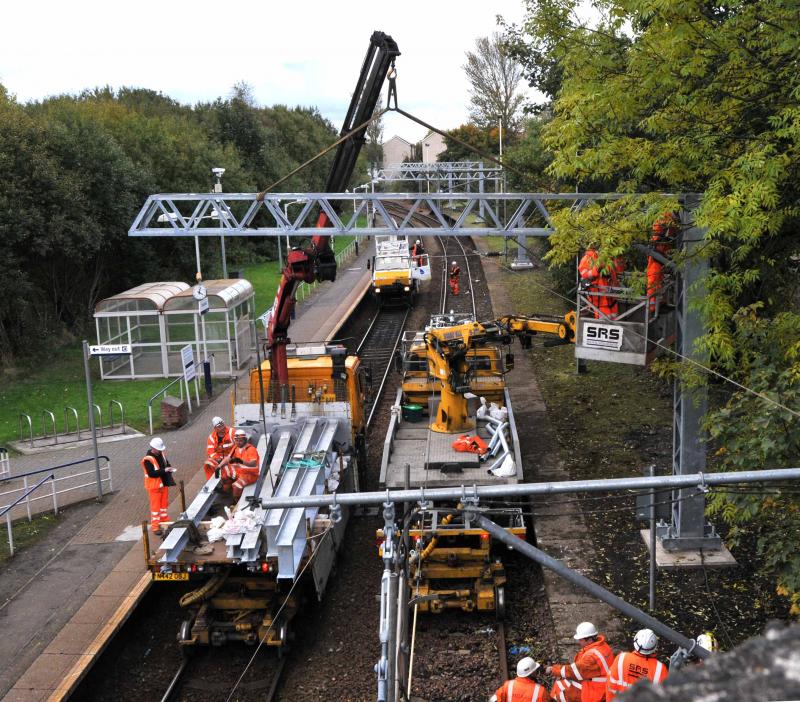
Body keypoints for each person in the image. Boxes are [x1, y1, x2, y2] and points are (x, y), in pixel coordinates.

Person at [547, 622, 614, 702]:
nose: (579, 642)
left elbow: (573, 671)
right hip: (604, 682)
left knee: (562, 689)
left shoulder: (591, 657)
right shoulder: (603, 645)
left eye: (581, 640)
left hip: (598, 690)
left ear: (589, 640)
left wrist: (553, 669)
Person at [606, 629, 668, 700]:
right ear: (654, 647)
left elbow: (610, 685)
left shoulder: (621, 658)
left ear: (635, 641)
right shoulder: (660, 669)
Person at [140, 437, 176, 537]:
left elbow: (166, 463)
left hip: (163, 484)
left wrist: (169, 468)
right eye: (158, 449)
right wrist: (165, 470)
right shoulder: (148, 460)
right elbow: (152, 474)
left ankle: (164, 520)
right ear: (153, 448)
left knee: (163, 504)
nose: (160, 451)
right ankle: (155, 527)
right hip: (154, 487)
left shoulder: (161, 454)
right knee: (155, 507)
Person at [578, 247, 625, 319]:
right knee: (603, 319)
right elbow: (585, 274)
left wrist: (619, 259)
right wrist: (597, 269)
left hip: (612, 295)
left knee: (614, 317)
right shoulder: (588, 258)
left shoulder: (610, 256)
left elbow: (619, 270)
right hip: (599, 296)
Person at [647, 212, 678, 313]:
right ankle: (653, 307)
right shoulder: (663, 218)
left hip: (660, 256)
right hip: (657, 256)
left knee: (659, 282)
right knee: (654, 281)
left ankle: (660, 303)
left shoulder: (665, 221)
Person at [217, 429, 261, 499]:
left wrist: (241, 461)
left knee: (236, 486)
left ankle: (236, 501)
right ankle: (226, 491)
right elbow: (227, 458)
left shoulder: (251, 449)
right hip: (240, 471)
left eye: (240, 440)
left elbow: (253, 463)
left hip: (250, 474)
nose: (238, 442)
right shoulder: (236, 447)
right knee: (224, 471)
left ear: (245, 440)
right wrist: (219, 467)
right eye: (236, 440)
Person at [203, 416, 234, 481]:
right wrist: (218, 459)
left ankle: (226, 480)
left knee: (227, 474)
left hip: (231, 458)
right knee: (208, 463)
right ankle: (212, 481)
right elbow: (211, 452)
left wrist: (229, 456)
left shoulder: (232, 432)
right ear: (215, 428)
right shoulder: (211, 437)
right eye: (219, 427)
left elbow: (236, 446)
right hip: (218, 459)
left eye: (223, 425)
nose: (222, 428)